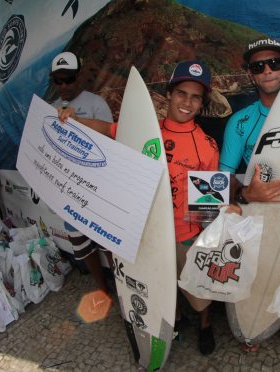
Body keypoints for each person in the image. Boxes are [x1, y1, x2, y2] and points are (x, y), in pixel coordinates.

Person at [59, 60, 228, 355]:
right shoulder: (144, 131)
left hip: (184, 235)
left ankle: (204, 324)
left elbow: (209, 205)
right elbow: (107, 129)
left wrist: (206, 240)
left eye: (195, 96)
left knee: (198, 291)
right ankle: (172, 325)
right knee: (158, 289)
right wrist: (73, 120)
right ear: (170, 95)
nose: (187, 102)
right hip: (145, 231)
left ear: (202, 103)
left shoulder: (208, 146)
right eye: (181, 93)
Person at [219, 38, 280, 353]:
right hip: (256, 209)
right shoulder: (240, 122)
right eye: (258, 66)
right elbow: (224, 176)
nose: (267, 70)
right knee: (254, 271)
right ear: (251, 75)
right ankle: (249, 324)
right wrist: (245, 192)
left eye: (274, 63)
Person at [49, 51, 114, 294]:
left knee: (108, 242)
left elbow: (110, 139)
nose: (64, 86)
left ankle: (121, 286)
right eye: (58, 81)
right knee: (83, 246)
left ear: (80, 77)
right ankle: (102, 290)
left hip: (98, 189)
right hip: (70, 192)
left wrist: (79, 124)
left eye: (69, 79)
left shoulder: (96, 103)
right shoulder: (50, 109)